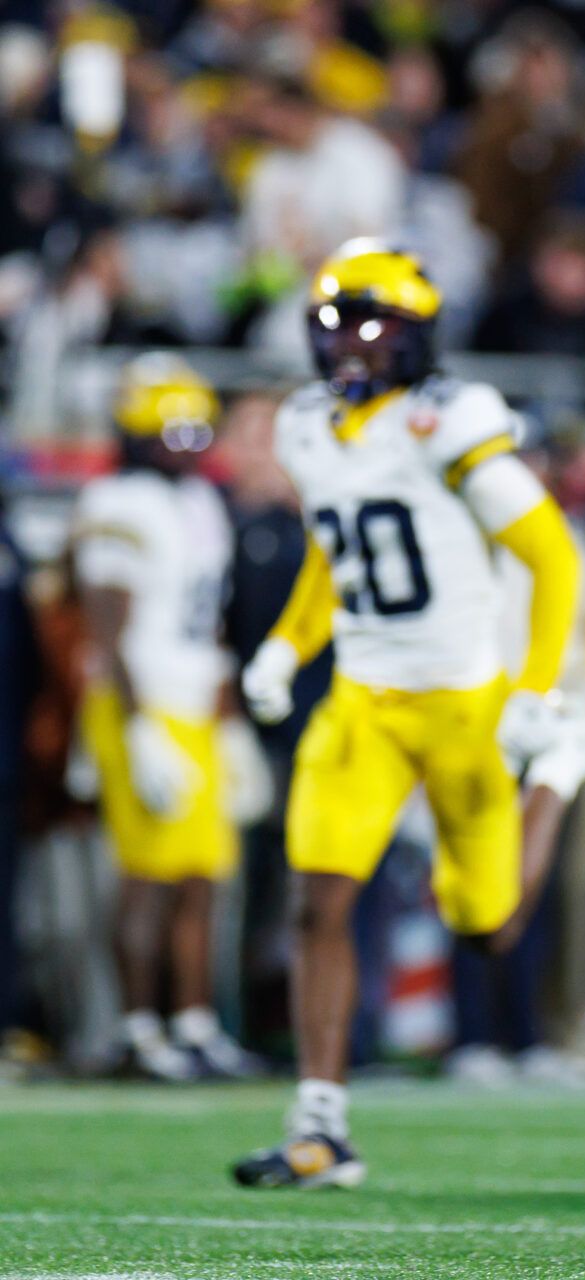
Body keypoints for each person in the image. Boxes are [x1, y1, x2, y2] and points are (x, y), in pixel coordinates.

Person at [229, 241, 585, 1189]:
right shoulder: (306, 426)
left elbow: (553, 557)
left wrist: (534, 693)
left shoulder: (449, 419)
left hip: (461, 703)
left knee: (487, 925)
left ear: (416, 332)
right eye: (331, 323)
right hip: (361, 697)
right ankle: (320, 1126)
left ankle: (558, 774)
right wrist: (285, 643)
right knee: (319, 897)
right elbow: (334, 552)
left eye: (370, 321)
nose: (348, 341)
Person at [71, 354, 261, 1081]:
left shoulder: (204, 504)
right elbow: (106, 629)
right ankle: (137, 1029)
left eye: (193, 430)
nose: (185, 443)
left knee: (202, 876)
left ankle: (193, 1022)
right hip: (138, 705)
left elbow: (209, 625)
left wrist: (230, 718)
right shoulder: (118, 502)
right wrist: (141, 726)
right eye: (170, 430)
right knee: (146, 877)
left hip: (195, 707)